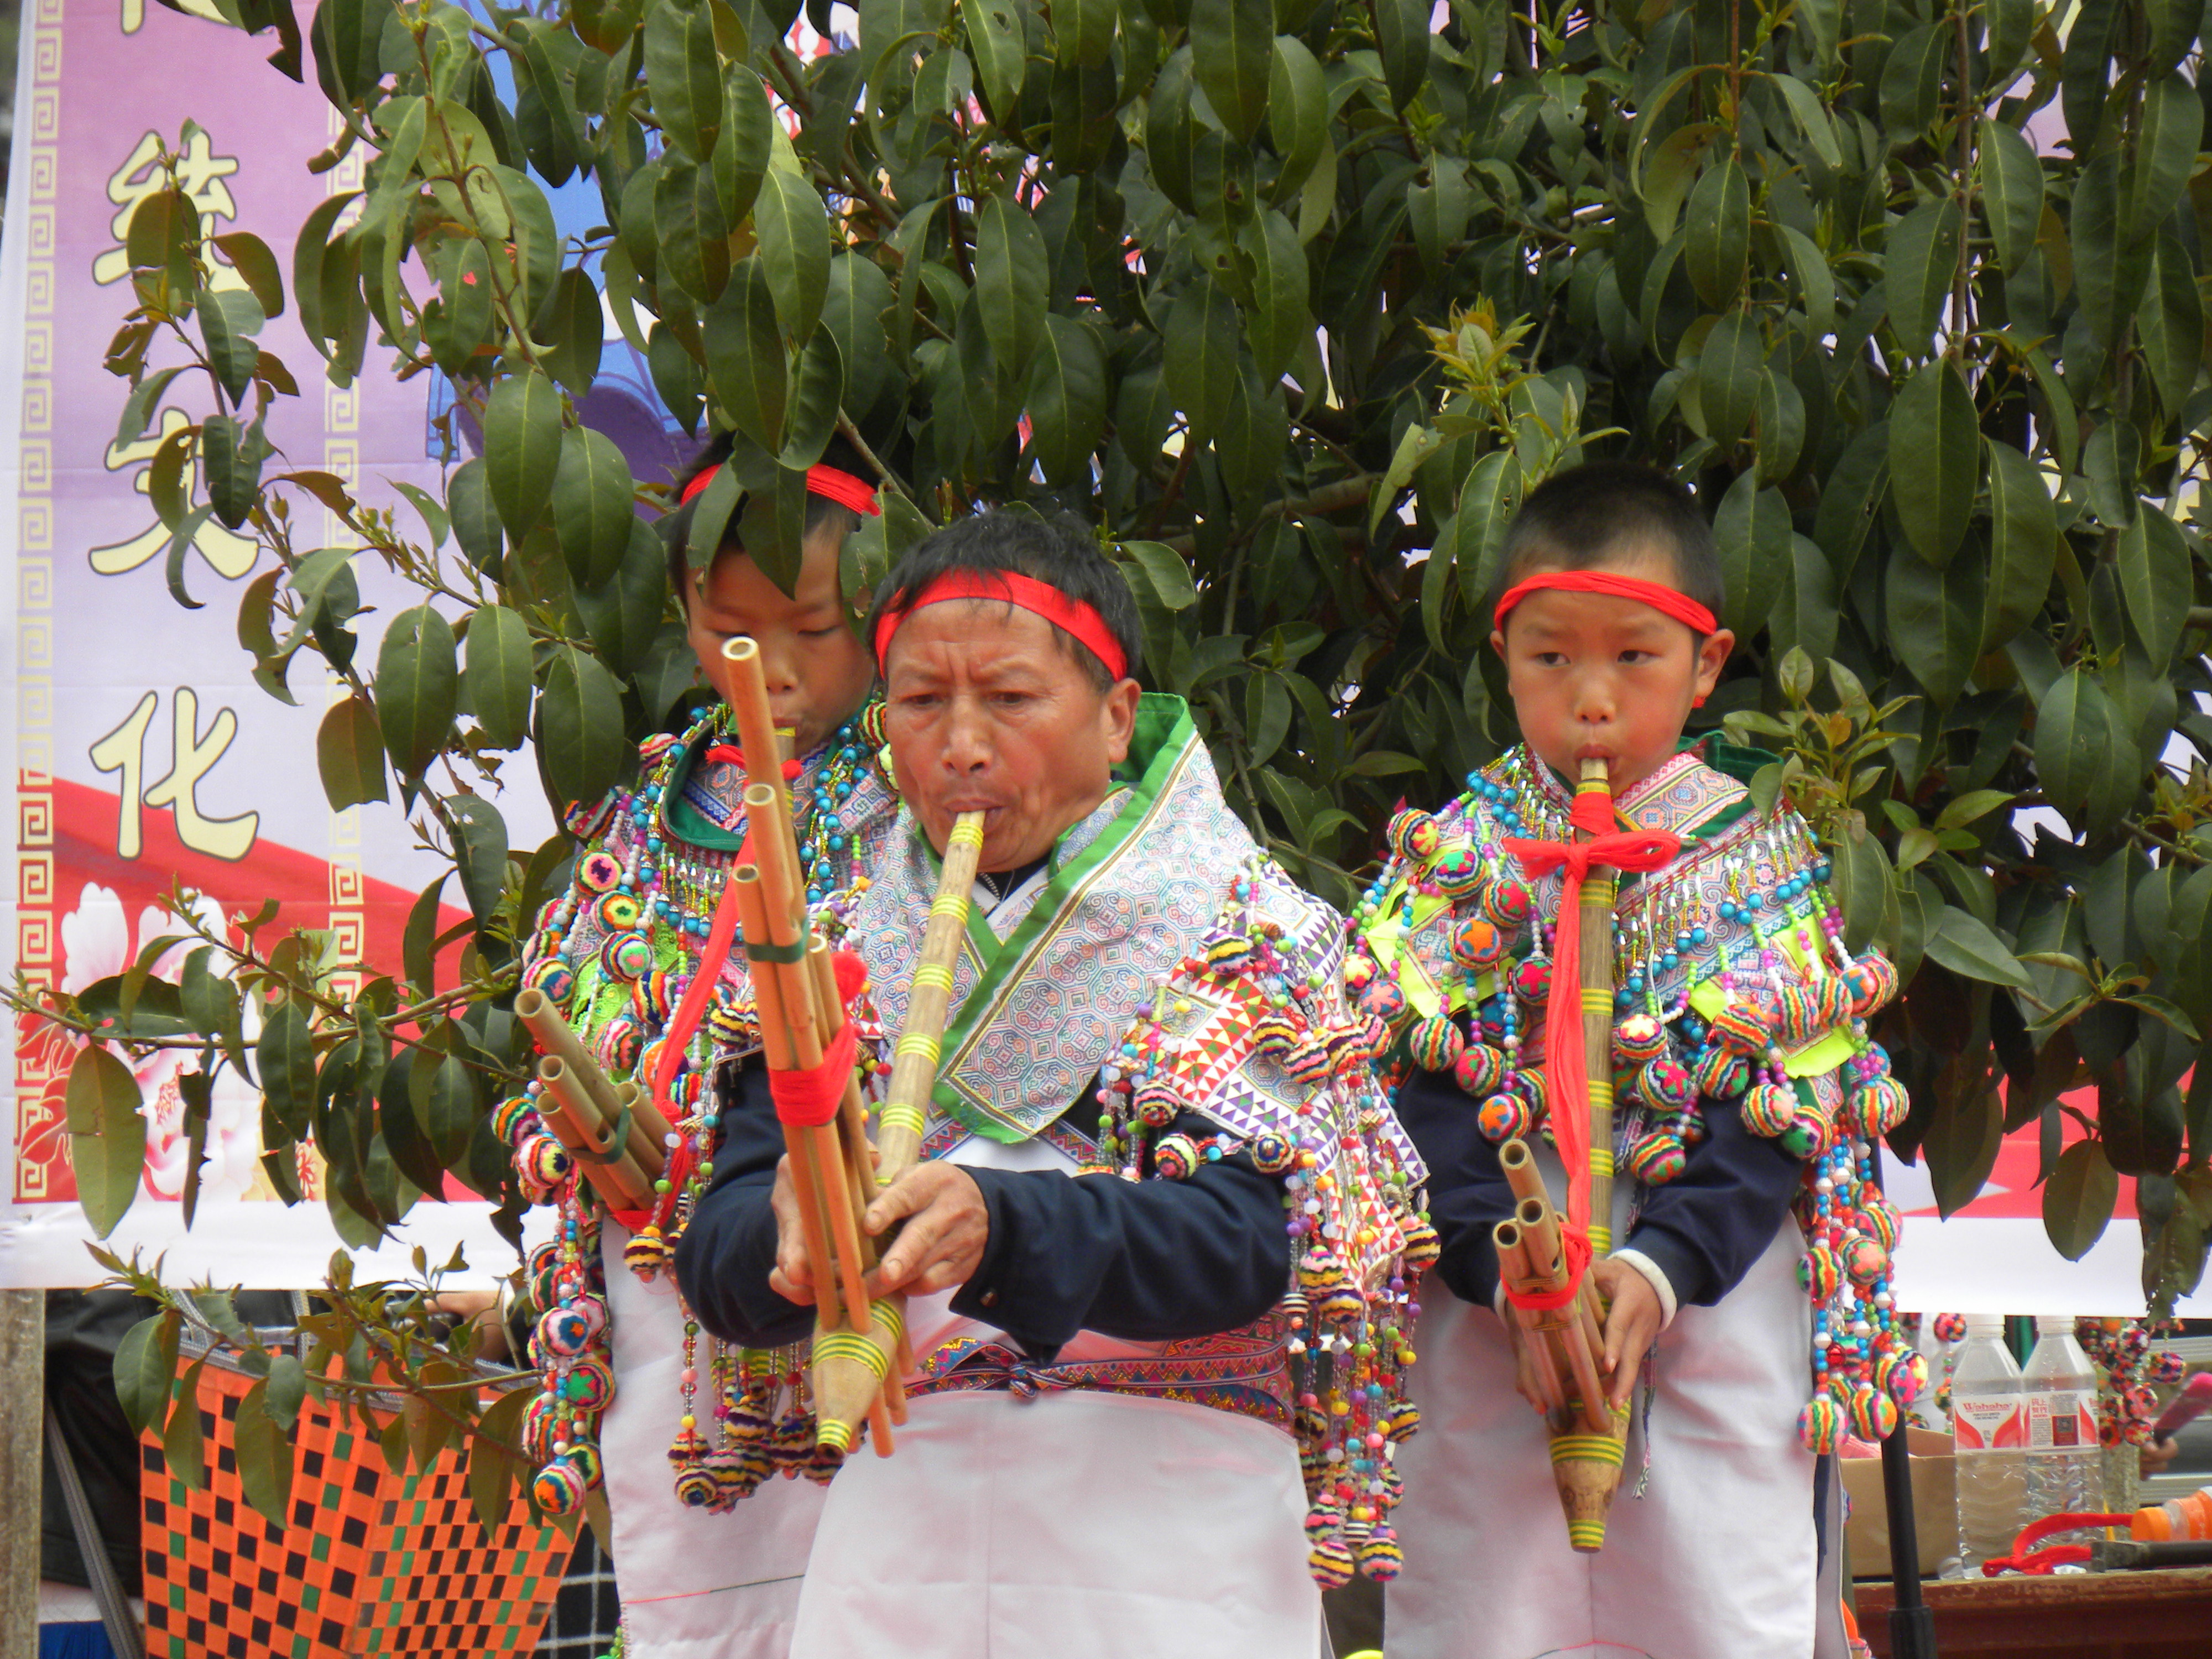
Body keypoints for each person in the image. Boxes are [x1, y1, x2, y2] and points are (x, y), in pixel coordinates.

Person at [676, 513, 1430, 1658]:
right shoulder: (825, 942)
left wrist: (1000, 1226)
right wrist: (791, 1228)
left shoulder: (1244, 934)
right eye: (921, 704)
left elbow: (1255, 1240)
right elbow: (716, 1252)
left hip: (1172, 1538)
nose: (960, 747)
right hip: (898, 1528)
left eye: (1011, 700)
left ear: (1115, 717)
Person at [1347, 461, 1914, 1659]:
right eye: (1550, 658)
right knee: (1483, 1619)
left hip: (1709, 1330)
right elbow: (1408, 1097)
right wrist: (1502, 1276)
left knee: (1714, 1614)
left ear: (1705, 664)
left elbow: (1784, 1118)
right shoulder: (1456, 858)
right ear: (1501, 653)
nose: (1588, 700)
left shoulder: (1756, 860)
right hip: (1486, 1328)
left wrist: (1659, 1272)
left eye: (1633, 659)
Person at [504, 431, 901, 1659]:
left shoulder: (916, 806)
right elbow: (563, 1024)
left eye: (812, 629)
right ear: (681, 616)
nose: (770, 669)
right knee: (704, 1618)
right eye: (729, 631)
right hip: (659, 1306)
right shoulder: (641, 815)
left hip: (852, 1279)